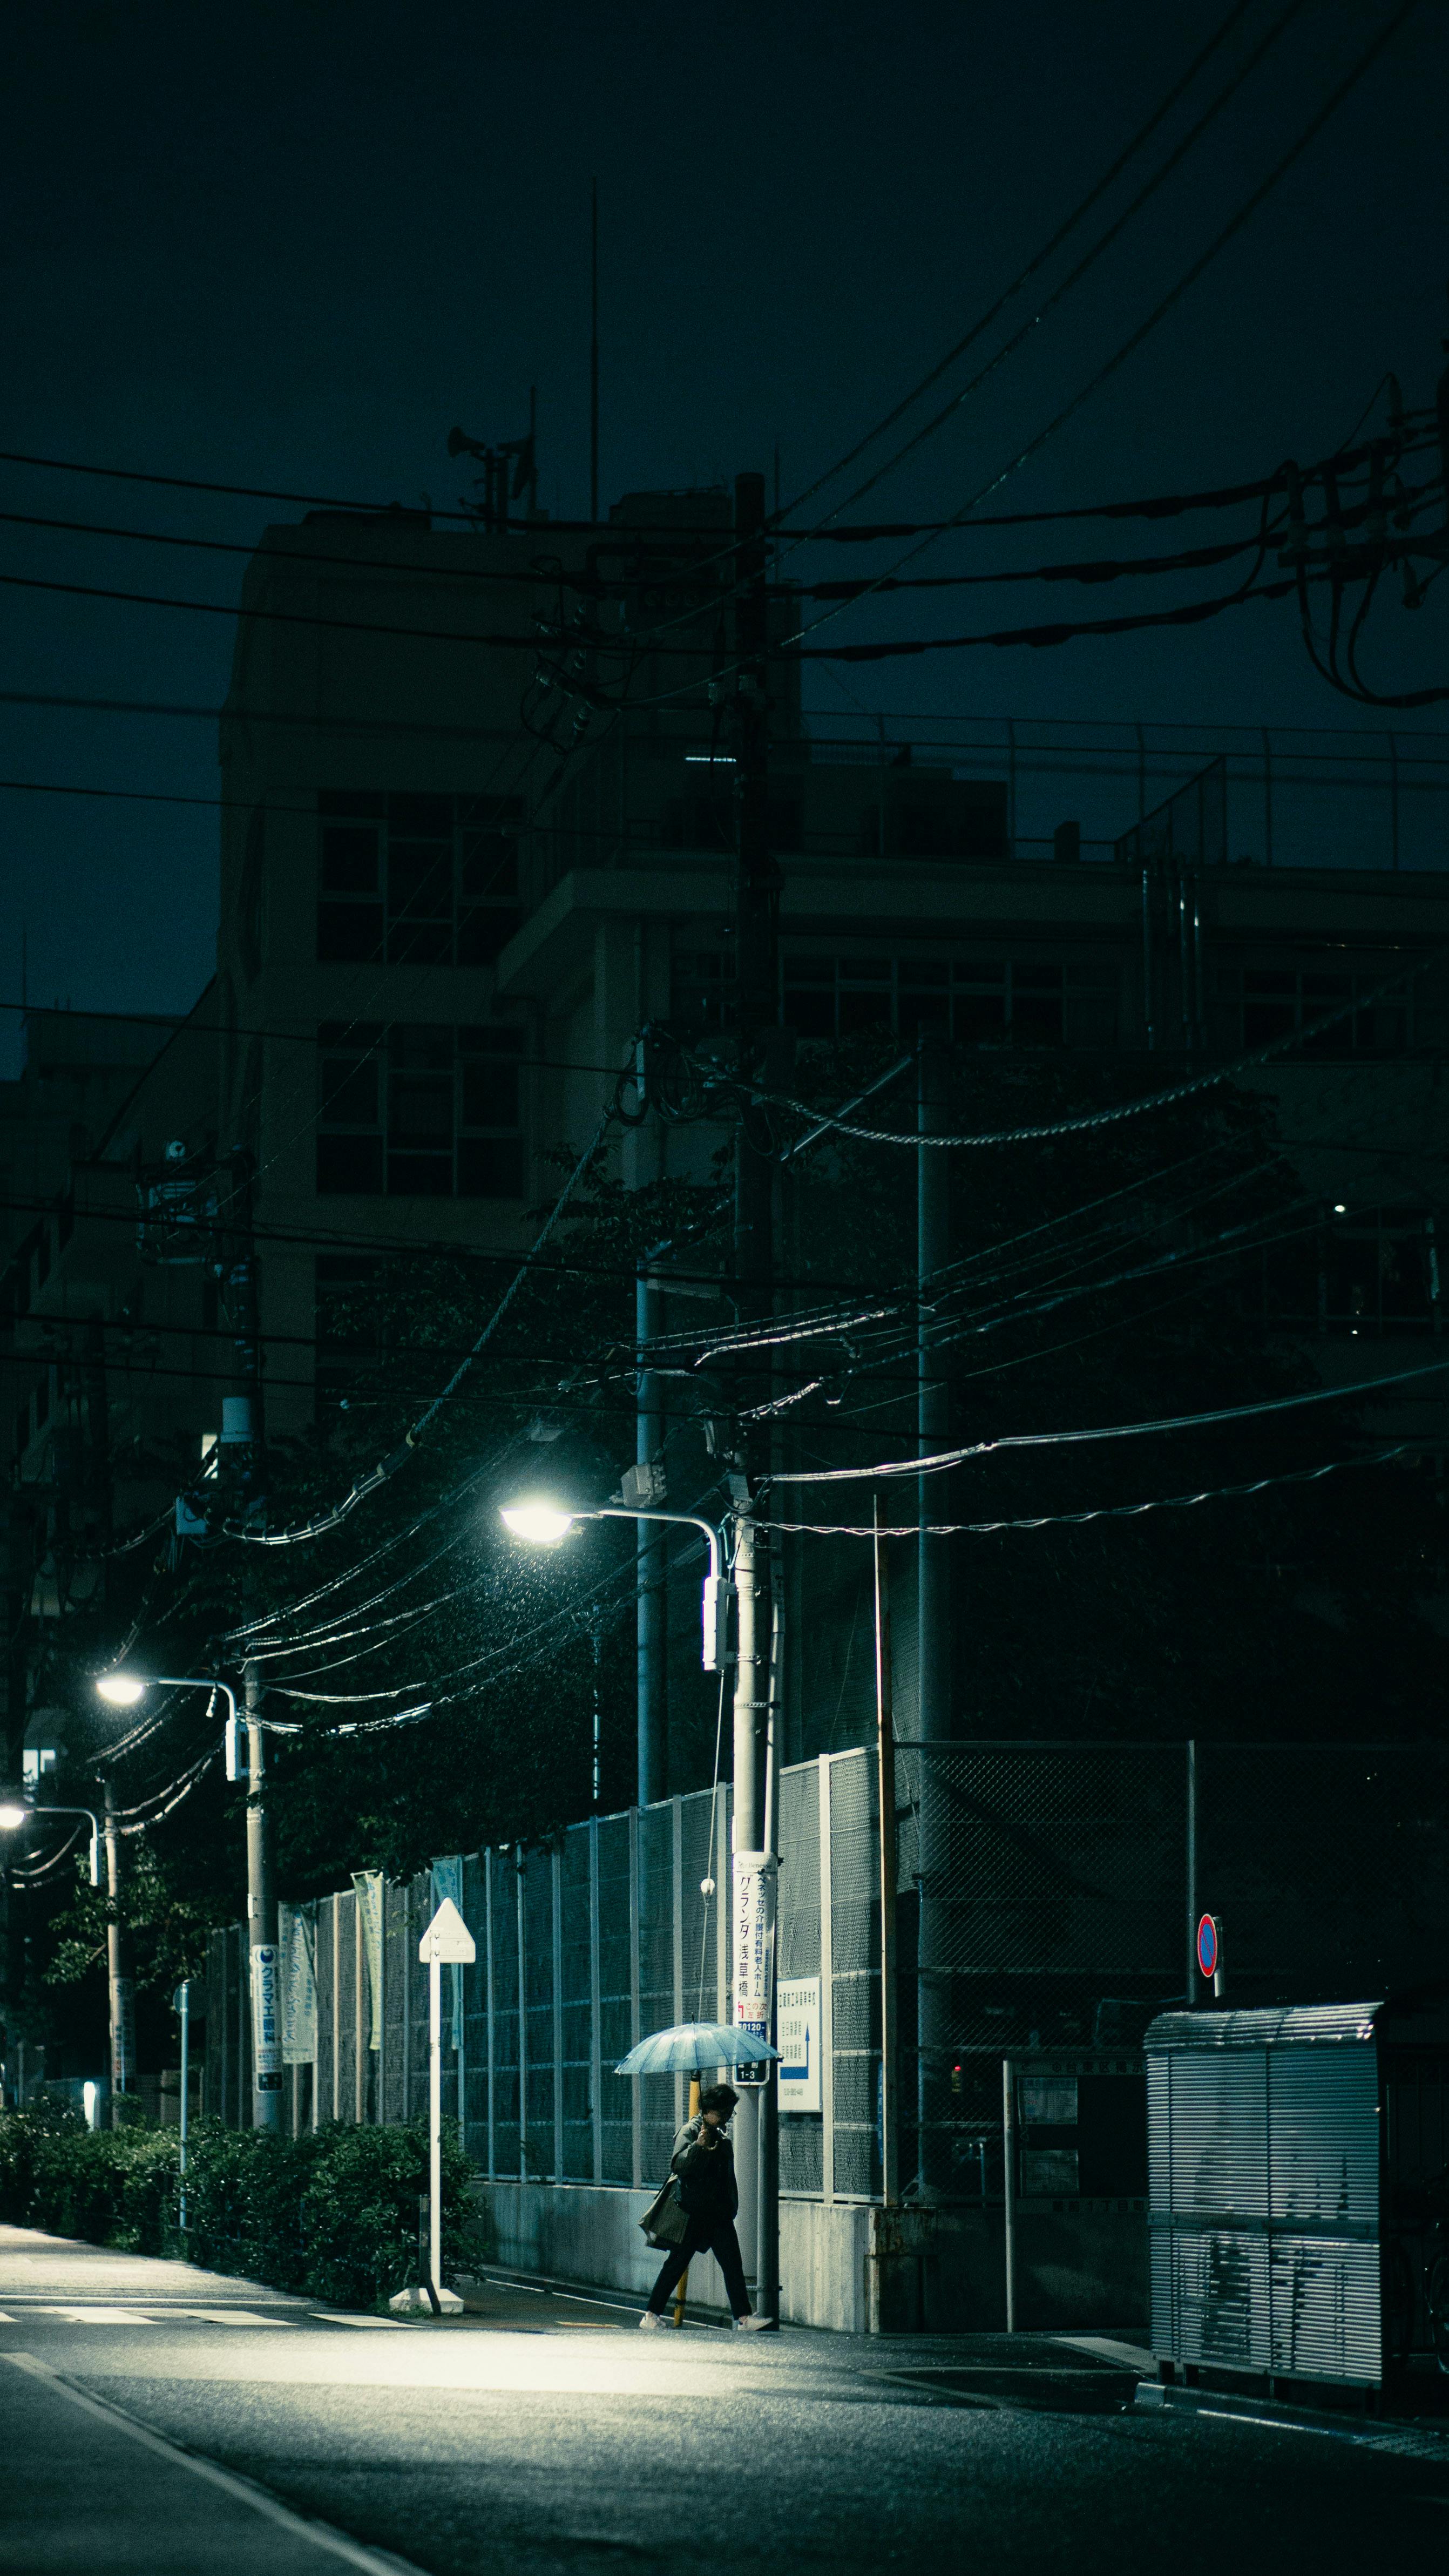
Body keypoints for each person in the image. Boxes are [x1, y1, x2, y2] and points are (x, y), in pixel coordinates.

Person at [639, 2083, 773, 2331]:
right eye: (723, 2113)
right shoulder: (690, 2131)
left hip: (717, 2214)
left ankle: (743, 2318)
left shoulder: (720, 2136)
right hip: (692, 2214)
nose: (726, 2118)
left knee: (732, 2264)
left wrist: (730, 2206)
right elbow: (678, 2165)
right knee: (676, 2264)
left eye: (729, 2113)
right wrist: (698, 2147)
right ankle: (651, 2314)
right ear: (709, 2110)